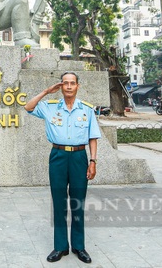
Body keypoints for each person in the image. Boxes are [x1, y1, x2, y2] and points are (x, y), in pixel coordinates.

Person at [24, 72, 100, 264]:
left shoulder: (87, 109)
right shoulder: (49, 107)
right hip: (57, 156)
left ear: (77, 86)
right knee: (59, 201)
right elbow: (28, 106)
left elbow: (92, 137)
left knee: (78, 201)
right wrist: (46, 91)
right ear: (61, 86)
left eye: (72, 83)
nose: (68, 86)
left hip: (79, 157)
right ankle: (60, 247)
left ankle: (79, 246)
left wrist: (93, 161)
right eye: (65, 83)